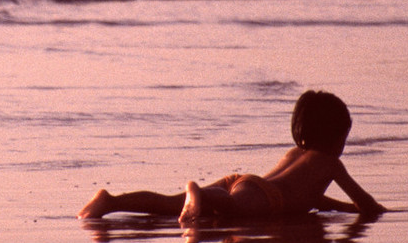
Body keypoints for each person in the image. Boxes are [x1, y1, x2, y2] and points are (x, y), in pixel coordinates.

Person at [78, 90, 386, 224]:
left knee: (169, 204)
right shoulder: (330, 163)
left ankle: (112, 201)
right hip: (263, 197)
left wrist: (340, 209)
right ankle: (199, 193)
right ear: (335, 137)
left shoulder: (296, 153)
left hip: (245, 182)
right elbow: (366, 205)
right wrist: (375, 210)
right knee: (232, 207)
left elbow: (313, 199)